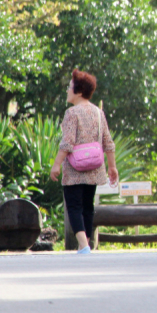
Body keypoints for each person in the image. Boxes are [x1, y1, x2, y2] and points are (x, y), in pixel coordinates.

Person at [49, 69, 118, 254]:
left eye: (69, 87)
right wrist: (112, 166)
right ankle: (84, 245)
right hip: (94, 167)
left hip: (74, 169)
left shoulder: (72, 113)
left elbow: (67, 142)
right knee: (88, 207)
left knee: (74, 206)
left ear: (78, 92)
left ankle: (84, 246)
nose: (67, 90)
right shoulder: (98, 112)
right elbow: (108, 142)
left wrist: (56, 164)